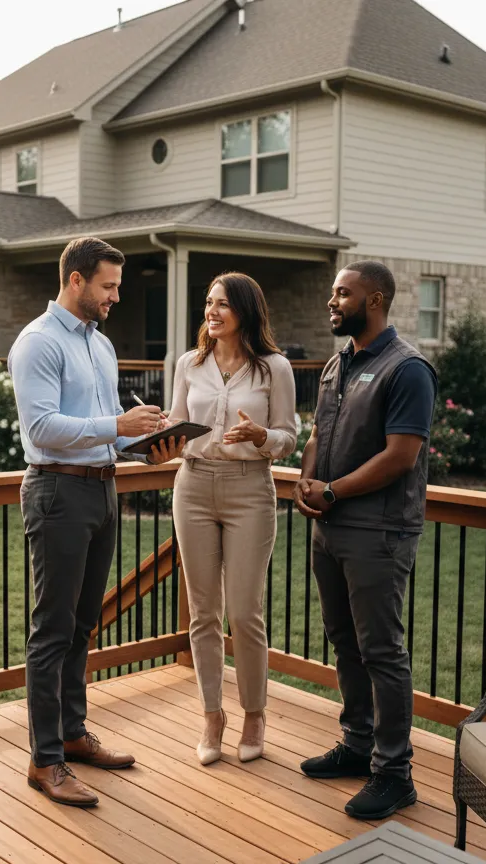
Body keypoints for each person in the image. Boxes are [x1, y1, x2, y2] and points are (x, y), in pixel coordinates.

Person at [8, 236, 183, 808]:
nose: (114, 297)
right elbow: (44, 429)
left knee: (83, 624)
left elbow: (99, 428)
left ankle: (73, 735)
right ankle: (45, 759)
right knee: (52, 629)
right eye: (107, 286)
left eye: (118, 287)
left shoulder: (101, 346)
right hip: (57, 492)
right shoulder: (38, 342)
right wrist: (118, 425)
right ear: (76, 280)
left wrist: (145, 445)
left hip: (103, 489)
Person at [292, 260, 437, 820]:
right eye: (333, 293)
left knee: (382, 650)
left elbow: (401, 456)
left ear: (374, 299)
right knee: (344, 641)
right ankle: (357, 745)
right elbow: (317, 434)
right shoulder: (337, 364)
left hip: (377, 531)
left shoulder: (408, 370)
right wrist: (308, 481)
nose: (332, 302)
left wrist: (331, 492)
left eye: (342, 294)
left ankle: (394, 772)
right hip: (330, 527)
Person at [168, 272, 296, 766]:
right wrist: (161, 437)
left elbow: (289, 435)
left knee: (243, 613)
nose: (212, 311)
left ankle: (254, 714)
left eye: (222, 303)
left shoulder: (273, 369)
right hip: (193, 484)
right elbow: (179, 425)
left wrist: (263, 437)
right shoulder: (188, 363)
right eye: (208, 302)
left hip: (249, 491)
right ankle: (211, 715)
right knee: (202, 613)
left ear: (245, 309)